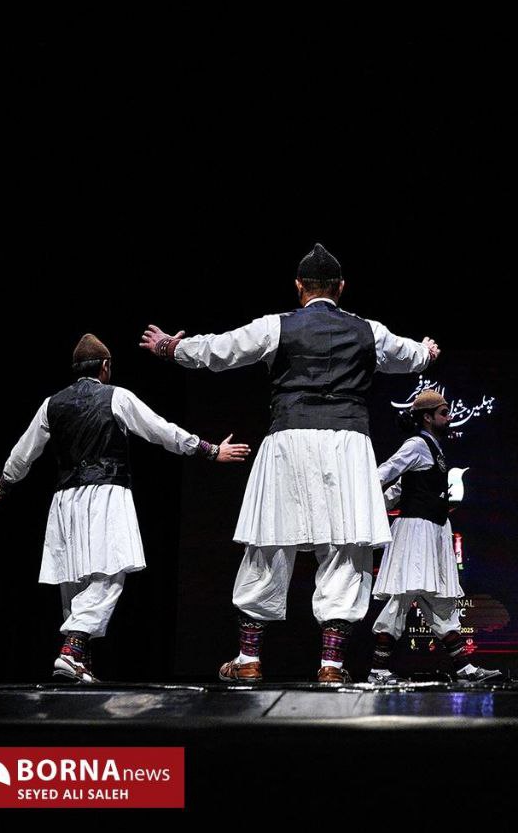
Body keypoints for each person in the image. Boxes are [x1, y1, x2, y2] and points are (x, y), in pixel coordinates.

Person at [139, 243, 438, 683]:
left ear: (299, 287)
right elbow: (412, 355)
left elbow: (220, 350)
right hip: (348, 443)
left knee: (269, 543)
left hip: (289, 441)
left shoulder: (275, 326)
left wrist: (170, 349)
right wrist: (427, 352)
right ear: (341, 288)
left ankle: (249, 660)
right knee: (345, 548)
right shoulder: (369, 330)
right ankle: (332, 666)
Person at [0, 333, 249, 682]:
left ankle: (79, 665)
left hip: (64, 502)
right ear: (105, 367)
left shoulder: (52, 403)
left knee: (75, 583)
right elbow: (161, 431)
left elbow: (23, 451)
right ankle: (72, 650)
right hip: (106, 494)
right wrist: (210, 450)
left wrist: (1, 487)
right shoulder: (116, 397)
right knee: (108, 578)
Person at [369, 390, 501, 684]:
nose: (449, 417)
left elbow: (402, 488)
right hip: (415, 531)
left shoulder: (433, 447)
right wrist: (363, 502)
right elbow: (384, 473)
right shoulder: (417, 444)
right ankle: (378, 670)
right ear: (427, 417)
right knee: (400, 600)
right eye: (444, 413)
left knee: (441, 603)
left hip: (434, 531)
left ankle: (465, 670)